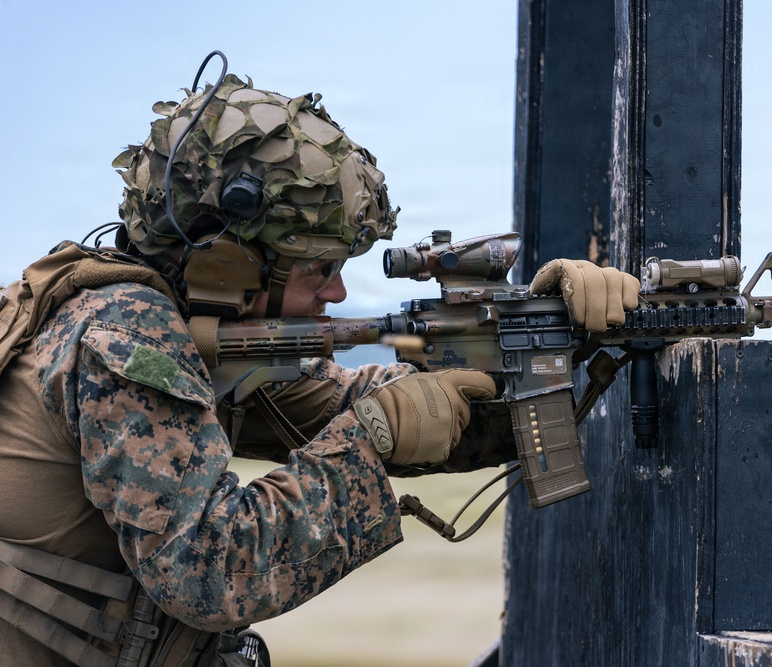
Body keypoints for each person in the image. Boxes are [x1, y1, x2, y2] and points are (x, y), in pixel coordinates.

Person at [0, 63, 640, 667]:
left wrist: (541, 339)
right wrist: (372, 434)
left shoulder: (184, 332)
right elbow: (212, 571)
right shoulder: (127, 336)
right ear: (230, 262)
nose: (335, 295)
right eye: (319, 269)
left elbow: (346, 403)